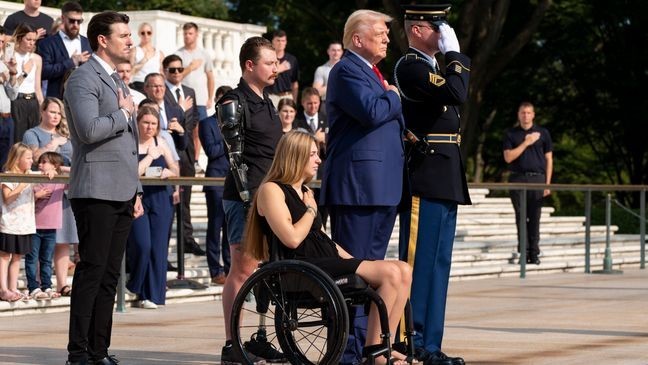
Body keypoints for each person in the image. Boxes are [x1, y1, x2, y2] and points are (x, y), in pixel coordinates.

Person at [245, 130, 412, 365]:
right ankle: (376, 353)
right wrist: (311, 210)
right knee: (393, 272)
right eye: (313, 154)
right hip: (300, 266)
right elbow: (291, 238)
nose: (318, 160)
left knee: (403, 269)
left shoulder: (305, 192)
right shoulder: (271, 190)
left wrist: (358, 262)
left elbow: (323, 238)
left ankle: (385, 346)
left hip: (324, 260)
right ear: (296, 155)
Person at [320, 9, 404, 364]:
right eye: (381, 33)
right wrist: (395, 96)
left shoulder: (371, 71)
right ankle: (348, 354)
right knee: (353, 276)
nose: (387, 38)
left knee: (371, 276)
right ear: (357, 39)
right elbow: (372, 111)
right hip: (358, 188)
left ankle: (369, 348)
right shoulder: (347, 70)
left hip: (380, 186)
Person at [63, 11, 143, 365]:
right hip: (95, 190)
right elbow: (88, 130)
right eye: (124, 35)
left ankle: (98, 351)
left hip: (123, 191)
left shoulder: (118, 80)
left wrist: (137, 189)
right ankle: (78, 352)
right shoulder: (83, 78)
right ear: (102, 40)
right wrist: (124, 115)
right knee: (92, 272)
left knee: (110, 276)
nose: (131, 40)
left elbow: (129, 144)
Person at [394, 5, 471, 365]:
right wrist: (455, 54)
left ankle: (431, 345)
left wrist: (449, 59)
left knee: (439, 265)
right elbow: (457, 93)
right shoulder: (411, 67)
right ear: (418, 29)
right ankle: (411, 339)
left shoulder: (433, 67)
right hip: (425, 175)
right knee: (419, 263)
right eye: (437, 26)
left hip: (444, 174)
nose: (444, 32)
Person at [217, 36, 283, 364]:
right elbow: (234, 155)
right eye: (269, 63)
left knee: (265, 272)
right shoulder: (234, 99)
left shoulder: (266, 100)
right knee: (242, 271)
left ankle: (258, 338)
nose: (276, 68)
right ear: (250, 65)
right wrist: (248, 199)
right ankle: (232, 345)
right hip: (245, 197)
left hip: (269, 196)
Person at [21, 97, 77, 297]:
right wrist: (53, 144)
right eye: (52, 111)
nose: (55, 116)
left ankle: (62, 283)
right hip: (43, 194)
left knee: (63, 240)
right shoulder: (32, 134)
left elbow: (75, 161)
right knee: (40, 244)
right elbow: (34, 158)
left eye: (58, 113)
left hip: (64, 193)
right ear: (42, 112)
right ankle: (37, 284)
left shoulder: (67, 136)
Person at [126, 105, 178, 309]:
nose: (149, 127)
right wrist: (149, 156)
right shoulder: (130, 143)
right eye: (145, 122)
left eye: (153, 124)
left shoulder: (162, 142)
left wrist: (169, 173)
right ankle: (135, 284)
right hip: (137, 197)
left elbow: (175, 167)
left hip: (160, 197)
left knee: (158, 248)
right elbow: (133, 172)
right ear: (138, 123)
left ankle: (152, 295)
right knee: (142, 244)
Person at [162, 54, 205, 256]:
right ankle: (166, 244)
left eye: (180, 69)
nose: (177, 73)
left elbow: (194, 119)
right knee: (171, 199)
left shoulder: (189, 91)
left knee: (186, 199)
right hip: (168, 152)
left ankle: (186, 239)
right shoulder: (161, 92)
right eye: (172, 70)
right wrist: (180, 110)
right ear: (165, 71)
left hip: (186, 152)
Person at [503, 101, 553, 265]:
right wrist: (526, 142)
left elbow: (549, 159)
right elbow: (508, 157)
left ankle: (534, 253)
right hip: (517, 178)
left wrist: (547, 184)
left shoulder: (543, 133)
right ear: (518, 115)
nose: (525, 116)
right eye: (523, 113)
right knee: (520, 217)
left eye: (528, 113)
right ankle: (523, 253)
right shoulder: (511, 134)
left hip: (538, 179)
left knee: (535, 217)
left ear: (533, 115)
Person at [198, 85, 231, 285]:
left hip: (233, 181)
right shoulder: (207, 123)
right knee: (215, 226)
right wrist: (229, 137)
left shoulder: (238, 122)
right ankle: (215, 269)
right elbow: (211, 150)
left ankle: (230, 267)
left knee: (230, 229)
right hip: (215, 180)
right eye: (223, 100)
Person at [26, 151, 66, 301]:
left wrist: (59, 170)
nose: (40, 165)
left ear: (55, 165)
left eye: (44, 162)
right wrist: (36, 196)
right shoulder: (34, 179)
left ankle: (47, 286)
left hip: (51, 227)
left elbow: (77, 172)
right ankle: (33, 287)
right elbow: (24, 199)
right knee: (32, 258)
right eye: (40, 162)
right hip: (33, 226)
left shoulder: (60, 179)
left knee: (46, 259)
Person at [175, 22, 215, 169]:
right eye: (185, 33)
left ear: (196, 35)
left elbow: (210, 76)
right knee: (184, 129)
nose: (187, 36)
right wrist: (190, 68)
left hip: (201, 99)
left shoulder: (204, 55)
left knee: (199, 131)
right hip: (184, 99)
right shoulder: (178, 54)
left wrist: (210, 97)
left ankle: (196, 160)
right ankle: (183, 159)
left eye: (190, 33)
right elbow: (176, 75)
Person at [0, 142, 35, 303]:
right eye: (28, 158)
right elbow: (7, 198)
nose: (31, 161)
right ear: (17, 158)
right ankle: (3, 289)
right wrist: (21, 185)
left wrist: (49, 170)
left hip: (25, 224)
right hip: (9, 223)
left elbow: (50, 172)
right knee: (5, 256)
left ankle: (13, 288)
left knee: (17, 258)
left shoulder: (30, 173)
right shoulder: (8, 174)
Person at [37, 1, 91, 99]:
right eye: (71, 20)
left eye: (79, 21)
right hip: (57, 101)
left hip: (84, 98)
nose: (75, 24)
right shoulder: (48, 43)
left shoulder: (87, 43)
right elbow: (43, 72)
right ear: (63, 18)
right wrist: (71, 62)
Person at [294, 87, 328, 225]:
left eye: (316, 103)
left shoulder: (327, 120)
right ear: (302, 103)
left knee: (322, 213)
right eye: (309, 103)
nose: (313, 106)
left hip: (322, 172)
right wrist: (314, 138)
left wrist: (325, 139)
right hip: (303, 174)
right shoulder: (296, 121)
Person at [7, 23, 44, 143]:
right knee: (18, 141)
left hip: (33, 102)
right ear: (19, 38)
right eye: (28, 39)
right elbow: (11, 88)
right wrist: (25, 73)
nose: (31, 43)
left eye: (34, 40)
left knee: (33, 141)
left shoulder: (37, 59)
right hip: (17, 101)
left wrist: (43, 108)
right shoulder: (10, 57)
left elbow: (38, 88)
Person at [266, 30, 299, 107]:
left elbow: (294, 83)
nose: (280, 43)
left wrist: (294, 101)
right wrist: (280, 69)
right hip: (271, 96)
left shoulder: (292, 59)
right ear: (272, 42)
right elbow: (265, 77)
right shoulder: (267, 58)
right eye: (278, 40)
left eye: (283, 40)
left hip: (287, 96)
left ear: (286, 42)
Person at [129, 22, 164, 93]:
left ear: (152, 33)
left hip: (155, 86)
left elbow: (162, 73)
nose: (146, 35)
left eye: (149, 32)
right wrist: (144, 60)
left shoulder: (159, 53)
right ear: (139, 34)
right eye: (143, 33)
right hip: (139, 85)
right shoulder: (134, 51)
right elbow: (129, 71)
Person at [312, 41, 343, 113]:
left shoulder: (349, 68)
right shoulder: (321, 69)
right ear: (328, 51)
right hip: (327, 105)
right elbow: (316, 93)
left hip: (345, 104)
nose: (336, 53)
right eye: (333, 50)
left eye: (338, 50)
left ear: (341, 52)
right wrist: (335, 83)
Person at [0, 25, 14, 168]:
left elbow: (13, 94)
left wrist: (14, 74)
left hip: (7, 117)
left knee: (5, 163)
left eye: (3, 41)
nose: (1, 45)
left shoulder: (5, 63)